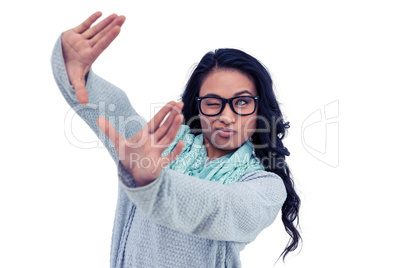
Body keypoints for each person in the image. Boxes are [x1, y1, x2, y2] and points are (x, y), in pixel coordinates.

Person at [51, 12, 301, 268]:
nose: (226, 117)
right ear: (198, 106)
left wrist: (152, 181)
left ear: (260, 109)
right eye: (213, 103)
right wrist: (76, 74)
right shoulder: (154, 145)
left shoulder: (265, 185)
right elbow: (115, 108)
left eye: (242, 102)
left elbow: (224, 208)